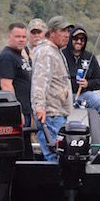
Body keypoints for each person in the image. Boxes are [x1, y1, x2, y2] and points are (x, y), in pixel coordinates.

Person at [30, 15, 74, 162]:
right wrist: (40, 107)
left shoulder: (56, 51)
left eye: (68, 31)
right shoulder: (46, 52)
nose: (67, 35)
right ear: (52, 32)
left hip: (57, 113)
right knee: (54, 154)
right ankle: (55, 184)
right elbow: (40, 83)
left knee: (59, 154)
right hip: (50, 114)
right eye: (63, 31)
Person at [64, 25, 100, 124]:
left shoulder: (90, 57)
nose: (79, 41)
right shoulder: (62, 55)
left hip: (86, 95)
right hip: (65, 95)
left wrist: (88, 84)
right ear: (70, 39)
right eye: (76, 38)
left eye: (82, 39)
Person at [0, 22, 33, 126]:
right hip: (16, 112)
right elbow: (6, 85)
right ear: (9, 37)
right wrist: (16, 111)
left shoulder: (20, 56)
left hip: (27, 110)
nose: (21, 39)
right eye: (17, 37)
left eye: (24, 37)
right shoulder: (7, 57)